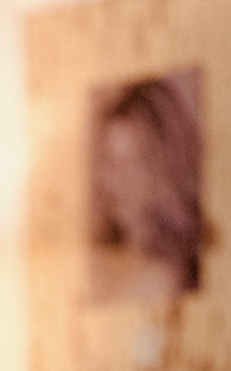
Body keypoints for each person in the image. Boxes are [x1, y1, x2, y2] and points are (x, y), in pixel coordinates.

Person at [88, 71, 205, 304]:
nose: (110, 182)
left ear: (162, 172)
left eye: (128, 165)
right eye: (108, 163)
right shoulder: (111, 260)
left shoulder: (162, 277)